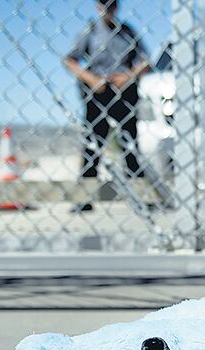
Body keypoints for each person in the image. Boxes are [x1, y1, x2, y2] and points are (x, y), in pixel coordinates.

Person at [64, 0, 161, 211]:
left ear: (117, 7)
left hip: (124, 93)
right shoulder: (90, 31)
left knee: (130, 143)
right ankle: (85, 198)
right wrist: (91, 79)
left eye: (111, 5)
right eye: (103, 5)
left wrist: (128, 76)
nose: (107, 9)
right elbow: (70, 60)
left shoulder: (127, 32)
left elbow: (145, 61)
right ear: (98, 7)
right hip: (97, 93)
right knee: (93, 144)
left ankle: (140, 197)